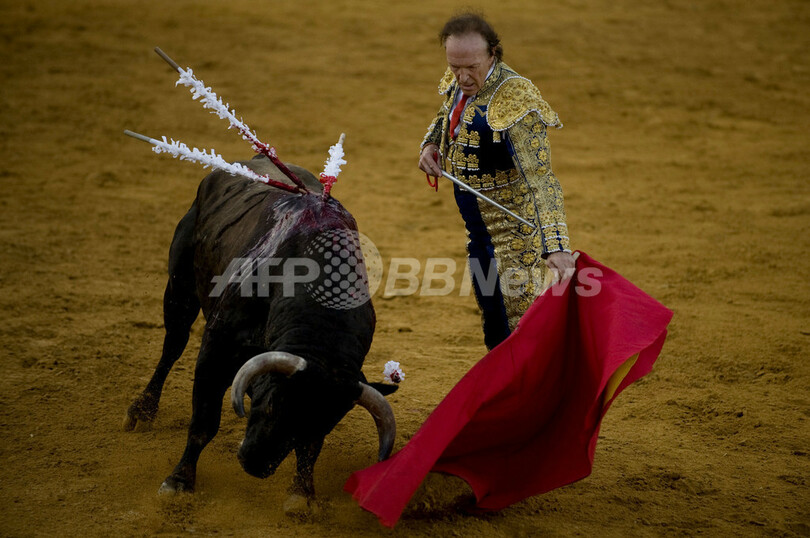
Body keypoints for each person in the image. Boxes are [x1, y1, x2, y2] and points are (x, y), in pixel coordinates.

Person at [418, 12, 576, 350]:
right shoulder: (461, 74)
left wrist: (558, 246)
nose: (461, 76)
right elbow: (447, 113)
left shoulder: (516, 99)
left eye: (470, 67)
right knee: (493, 320)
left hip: (514, 236)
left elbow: (541, 180)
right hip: (477, 229)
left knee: (521, 327)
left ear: (493, 54)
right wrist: (431, 143)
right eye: (454, 66)